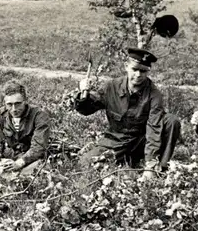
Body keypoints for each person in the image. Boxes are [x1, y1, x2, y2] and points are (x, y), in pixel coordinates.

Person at [75, 47, 181, 180]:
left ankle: (161, 167)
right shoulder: (111, 86)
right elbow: (86, 110)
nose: (138, 75)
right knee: (85, 163)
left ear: (148, 71)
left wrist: (150, 166)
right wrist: (83, 96)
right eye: (134, 69)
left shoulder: (154, 95)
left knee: (171, 121)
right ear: (126, 66)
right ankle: (126, 160)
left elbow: (154, 129)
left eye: (143, 71)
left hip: (141, 142)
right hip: (116, 140)